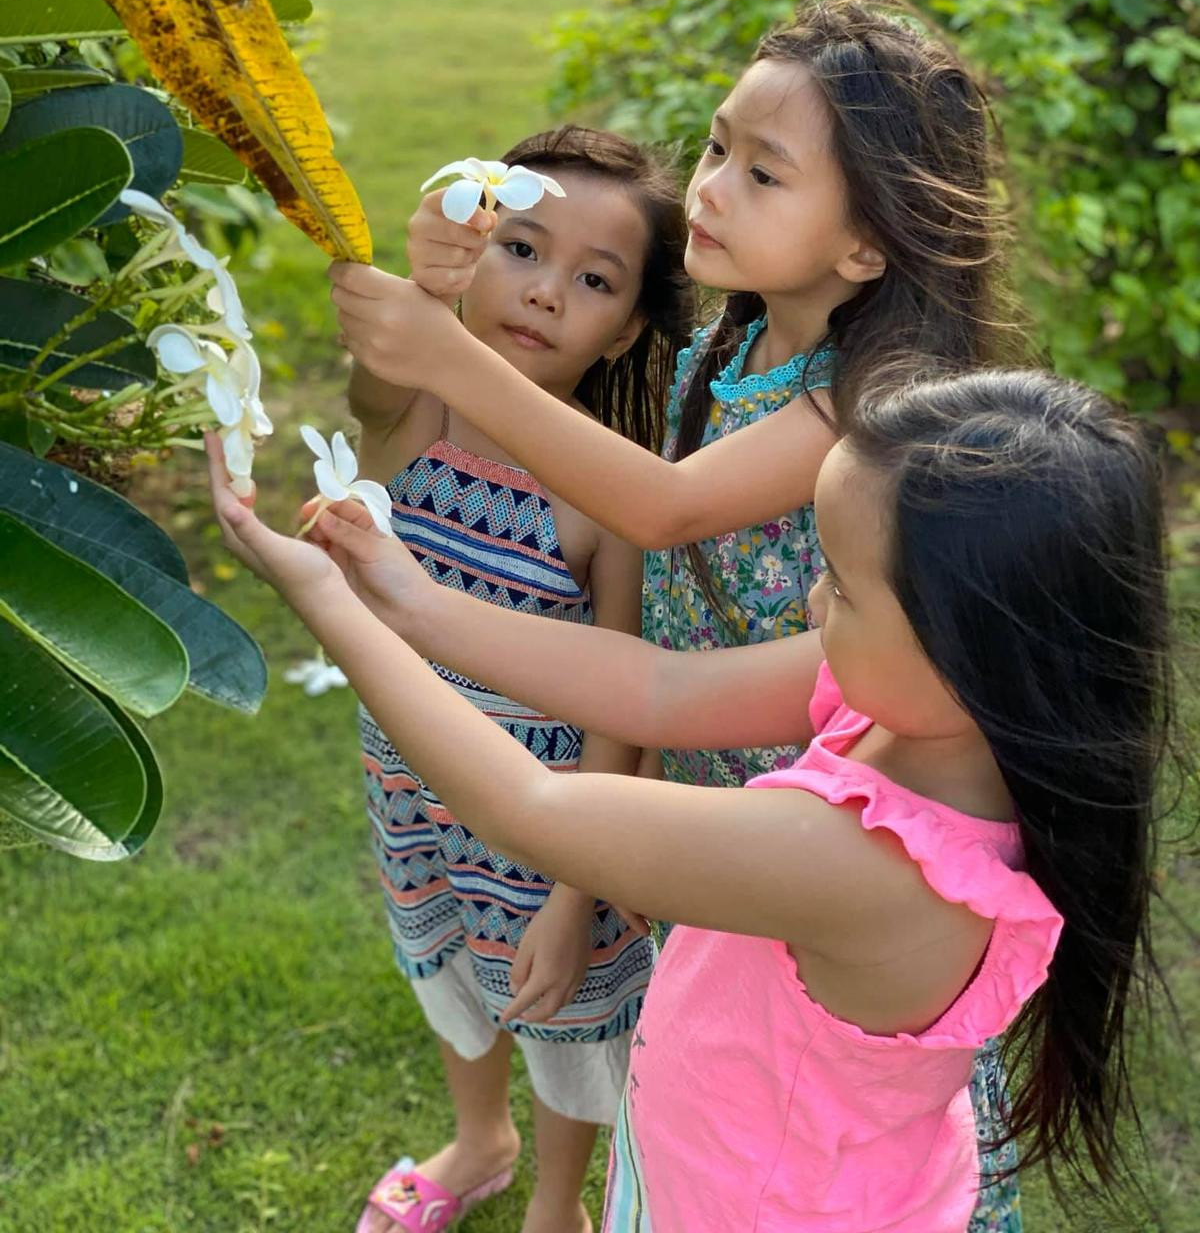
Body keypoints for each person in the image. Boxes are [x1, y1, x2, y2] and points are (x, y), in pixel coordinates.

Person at [333, 0, 1023, 1223]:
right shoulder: (734, 340)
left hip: (827, 806)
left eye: (764, 174)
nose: (709, 187)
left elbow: (662, 510)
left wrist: (448, 355)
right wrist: (444, 296)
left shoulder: (872, 394)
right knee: (708, 1050)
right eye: (716, 148)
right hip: (719, 751)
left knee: (812, 1097)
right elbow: (648, 619)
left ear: (865, 244)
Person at [209, 363, 1173, 1230]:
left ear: (969, 647)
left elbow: (532, 811)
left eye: (838, 582)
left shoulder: (864, 864)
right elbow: (657, 690)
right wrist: (407, 594)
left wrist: (330, 604)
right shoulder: (933, 711)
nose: (811, 602)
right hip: (724, 1165)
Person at [346, 126, 693, 1233]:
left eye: (592, 279)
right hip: (407, 781)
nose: (544, 293)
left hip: (543, 826)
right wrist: (422, 285)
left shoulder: (605, 492)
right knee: (442, 957)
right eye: (523, 250)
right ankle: (478, 1137)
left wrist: (573, 890)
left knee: (558, 1006)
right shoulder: (422, 414)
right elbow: (376, 380)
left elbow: (621, 703)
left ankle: (556, 1201)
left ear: (629, 324)